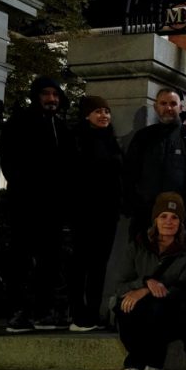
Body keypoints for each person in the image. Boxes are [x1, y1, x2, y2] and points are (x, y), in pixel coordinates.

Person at [0, 76, 74, 333]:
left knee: (49, 259)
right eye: (46, 94)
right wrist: (25, 188)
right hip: (26, 203)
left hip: (53, 207)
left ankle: (44, 311)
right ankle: (18, 311)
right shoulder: (19, 123)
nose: (52, 99)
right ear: (37, 96)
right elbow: (9, 162)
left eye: (55, 94)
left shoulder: (61, 127)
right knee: (21, 257)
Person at [113, 192, 186, 370]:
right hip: (139, 306)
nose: (169, 221)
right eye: (163, 216)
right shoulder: (138, 246)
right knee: (126, 305)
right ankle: (137, 358)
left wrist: (146, 290)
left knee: (157, 306)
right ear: (155, 220)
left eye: (175, 217)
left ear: (181, 222)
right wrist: (143, 283)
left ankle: (150, 361)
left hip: (171, 309)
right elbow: (119, 285)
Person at [67, 96, 123, 332]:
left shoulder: (110, 140)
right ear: (86, 115)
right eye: (98, 111)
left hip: (107, 212)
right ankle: (78, 314)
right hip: (84, 211)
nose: (104, 116)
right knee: (81, 264)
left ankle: (92, 312)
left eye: (107, 111)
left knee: (99, 265)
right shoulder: (77, 140)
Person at [123, 88, 186, 238]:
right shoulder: (143, 137)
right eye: (163, 103)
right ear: (156, 107)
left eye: (173, 104)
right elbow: (129, 172)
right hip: (145, 213)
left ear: (181, 107)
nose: (168, 108)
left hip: (179, 214)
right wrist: (132, 203)